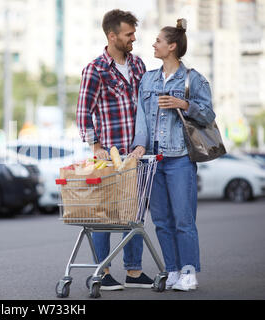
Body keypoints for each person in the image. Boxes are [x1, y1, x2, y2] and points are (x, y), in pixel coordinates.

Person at [131, 19, 215, 291]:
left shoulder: (193, 78)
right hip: (153, 161)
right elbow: (141, 117)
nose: (153, 44)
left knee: (183, 219)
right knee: (162, 222)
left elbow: (208, 114)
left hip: (180, 158)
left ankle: (189, 271)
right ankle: (173, 270)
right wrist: (139, 145)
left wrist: (184, 104)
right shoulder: (148, 79)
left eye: (158, 40)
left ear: (172, 46)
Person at [76, 9, 154, 291]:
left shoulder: (138, 65)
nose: (134, 38)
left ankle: (134, 272)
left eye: (134, 33)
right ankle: (103, 271)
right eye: (129, 34)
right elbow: (83, 112)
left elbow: (145, 107)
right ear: (112, 36)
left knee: (134, 213)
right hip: (108, 155)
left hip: (136, 154)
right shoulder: (95, 69)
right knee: (106, 215)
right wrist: (95, 145)